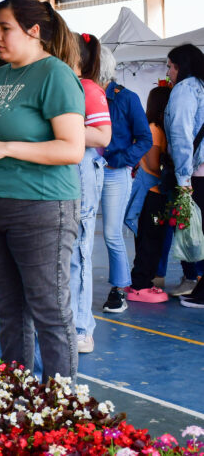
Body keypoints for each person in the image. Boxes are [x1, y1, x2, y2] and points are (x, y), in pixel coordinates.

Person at [0, 0, 84, 381]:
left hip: (40, 207)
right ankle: (18, 393)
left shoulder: (55, 75)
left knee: (47, 308)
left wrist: (7, 148)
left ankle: (60, 403)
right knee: (6, 309)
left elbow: (72, 148)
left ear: (34, 30)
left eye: (4, 28)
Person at [68, 33, 112, 355]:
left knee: (80, 251)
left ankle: (82, 328)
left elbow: (103, 136)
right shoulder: (64, 85)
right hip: (66, 175)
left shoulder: (88, 89)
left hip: (82, 172)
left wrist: (64, 126)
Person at [98, 48, 152, 312]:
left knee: (111, 232)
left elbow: (145, 139)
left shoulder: (127, 98)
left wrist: (122, 161)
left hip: (113, 172)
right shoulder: (84, 96)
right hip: (89, 169)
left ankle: (119, 287)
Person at [164, 44, 204, 306]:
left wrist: (183, 179)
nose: (167, 72)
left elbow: (181, 135)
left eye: (169, 66)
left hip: (195, 173)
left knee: (191, 228)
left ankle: (195, 282)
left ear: (180, 66)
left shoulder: (185, 90)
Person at [126, 86, 173, 303]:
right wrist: (171, 169)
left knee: (151, 239)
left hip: (154, 194)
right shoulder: (155, 129)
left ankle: (143, 281)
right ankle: (140, 284)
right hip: (152, 195)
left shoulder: (155, 127)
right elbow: (154, 165)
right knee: (150, 240)